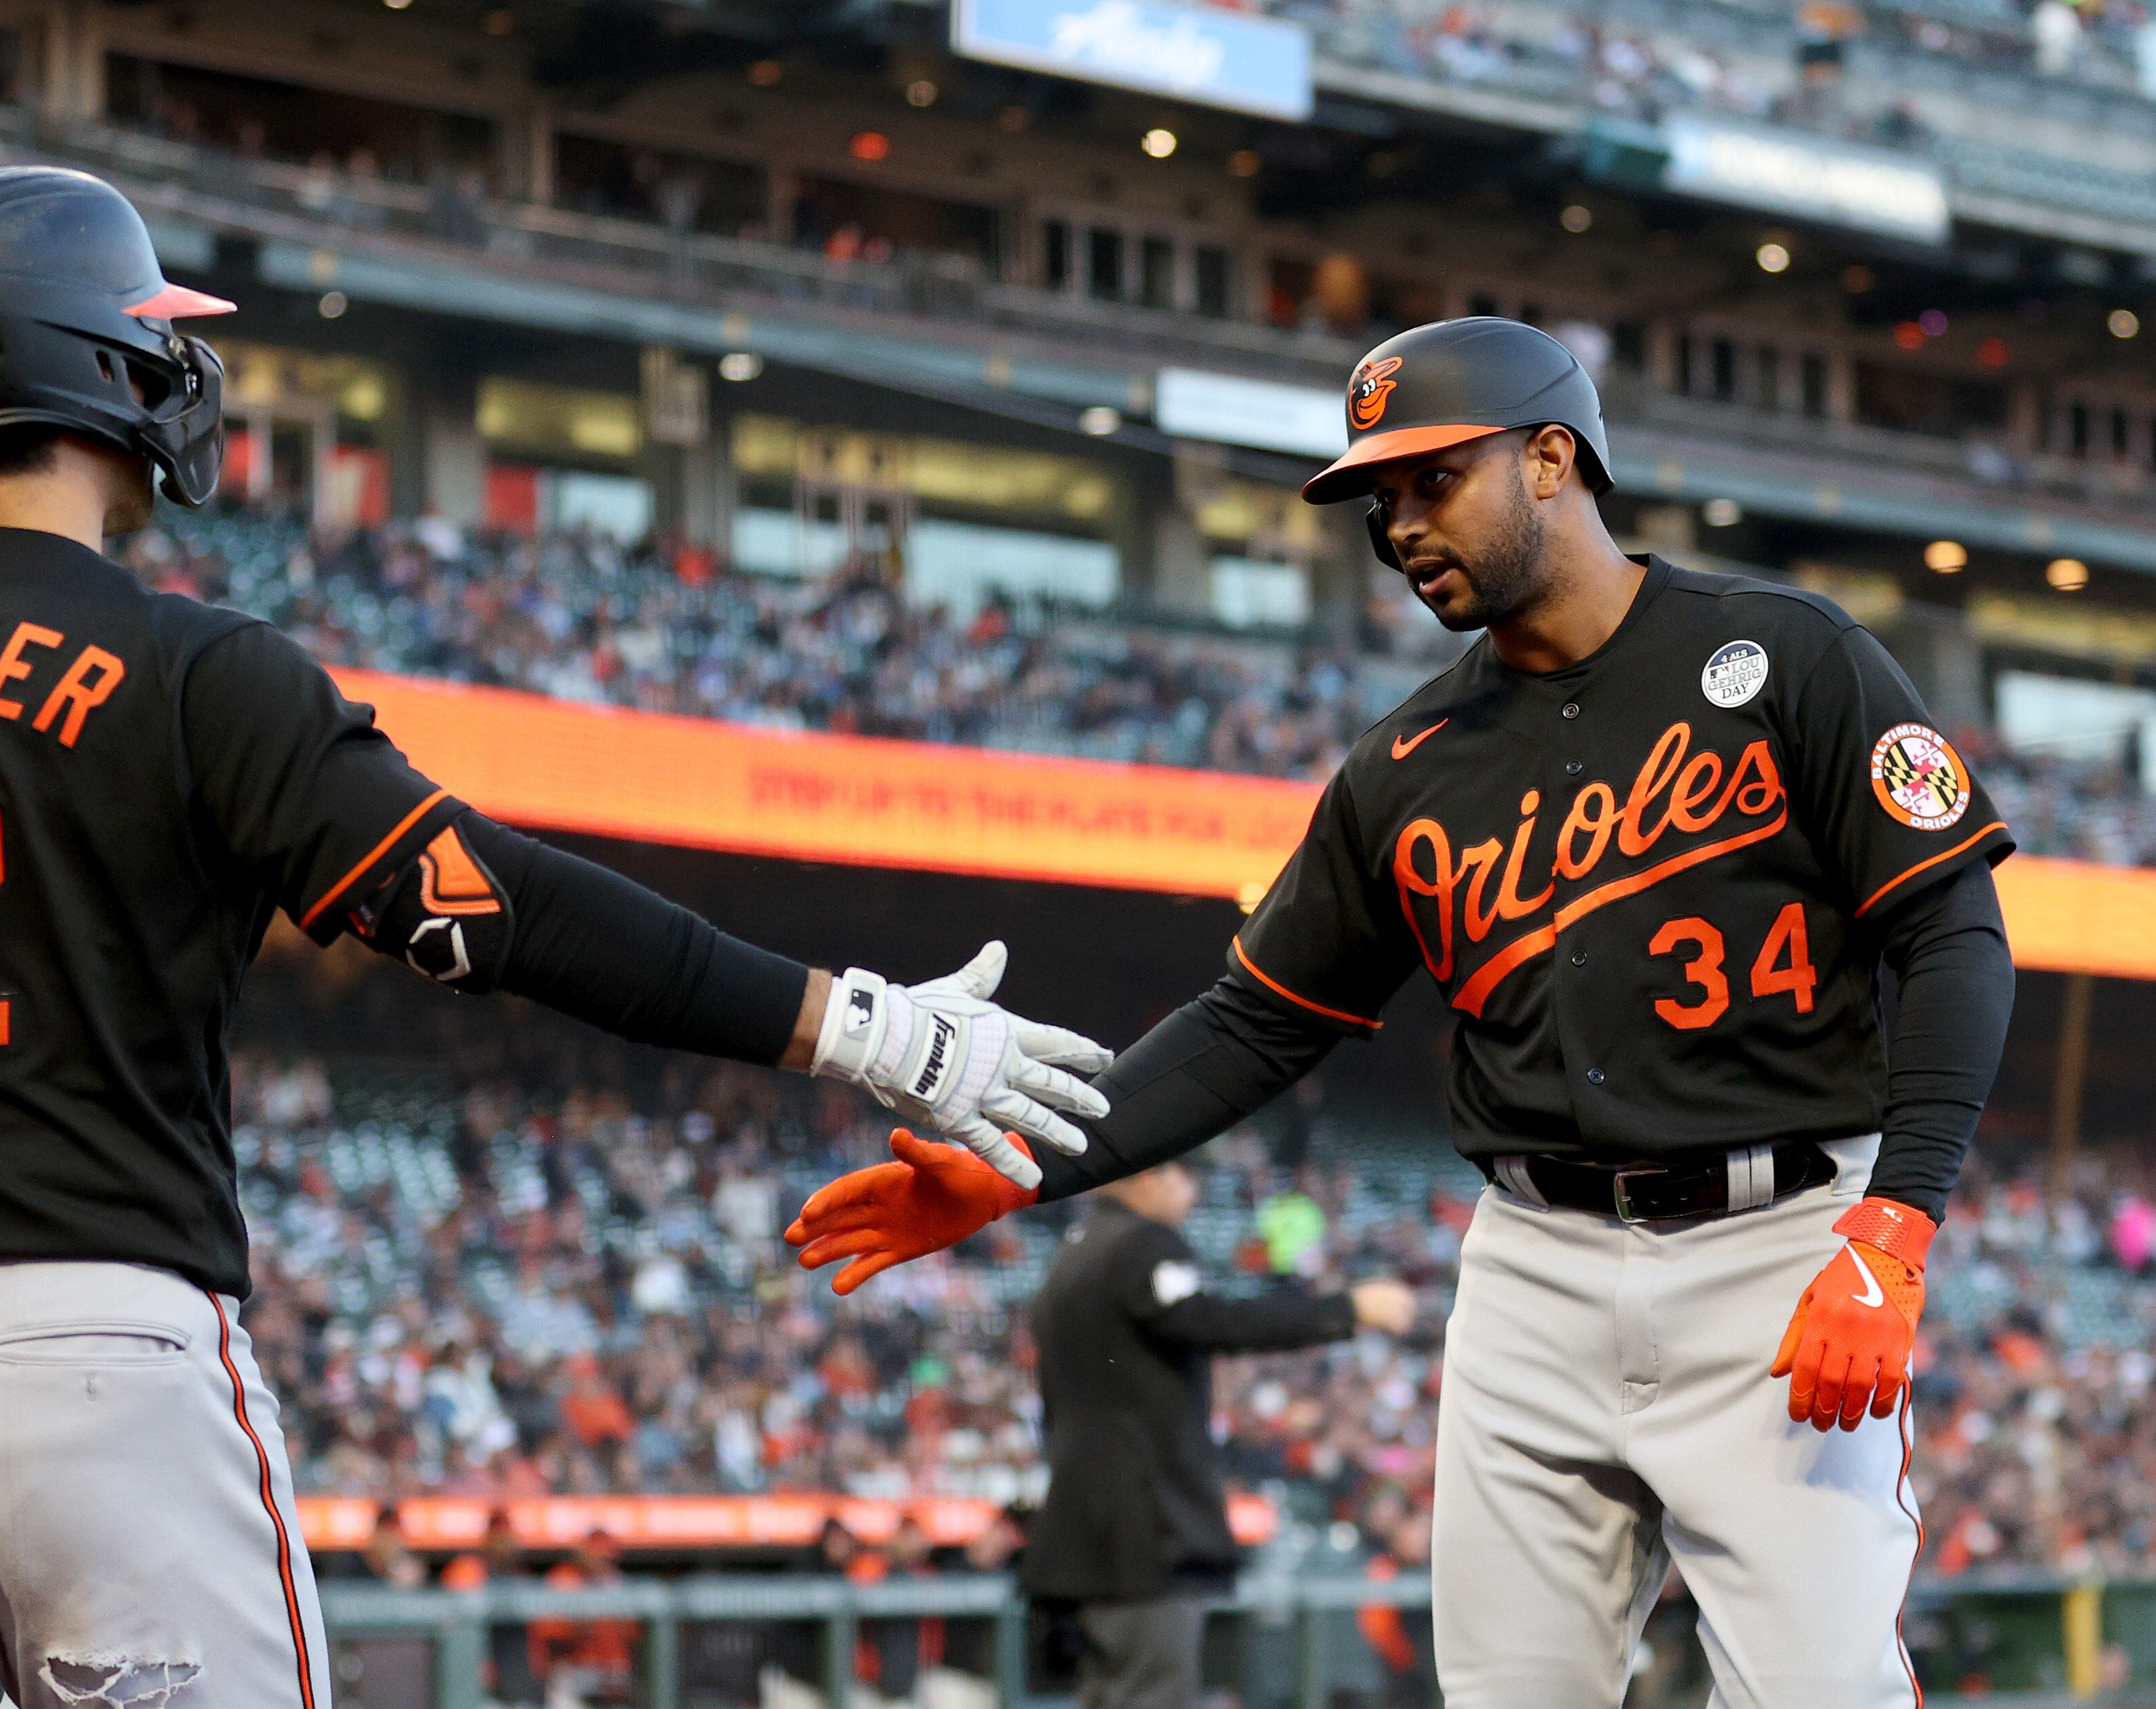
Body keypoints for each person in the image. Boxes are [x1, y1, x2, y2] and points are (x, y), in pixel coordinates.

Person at [0, 165, 1111, 1709]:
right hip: (84, 1359)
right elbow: (497, 907)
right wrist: (863, 1026)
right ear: (99, 362)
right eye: (150, 334)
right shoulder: (190, 664)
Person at [787, 317, 2018, 1706]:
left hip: (1781, 1242)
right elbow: (1254, 1021)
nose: (1401, 525)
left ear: (1551, 458)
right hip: (1535, 1267)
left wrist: (1897, 1226)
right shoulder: (1405, 765)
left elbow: (1953, 932)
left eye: (1435, 479)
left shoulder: (1789, 655)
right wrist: (1022, 1162)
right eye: (1380, 499)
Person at [1023, 1160, 1414, 1709]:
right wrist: (1347, 1308)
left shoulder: (1075, 1250)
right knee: (1153, 1695)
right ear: (1151, 1177)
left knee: (1110, 1695)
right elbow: (1214, 1321)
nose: (1192, 1193)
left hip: (1087, 1532)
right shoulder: (1140, 1243)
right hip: (1144, 1532)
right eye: (1185, 1178)